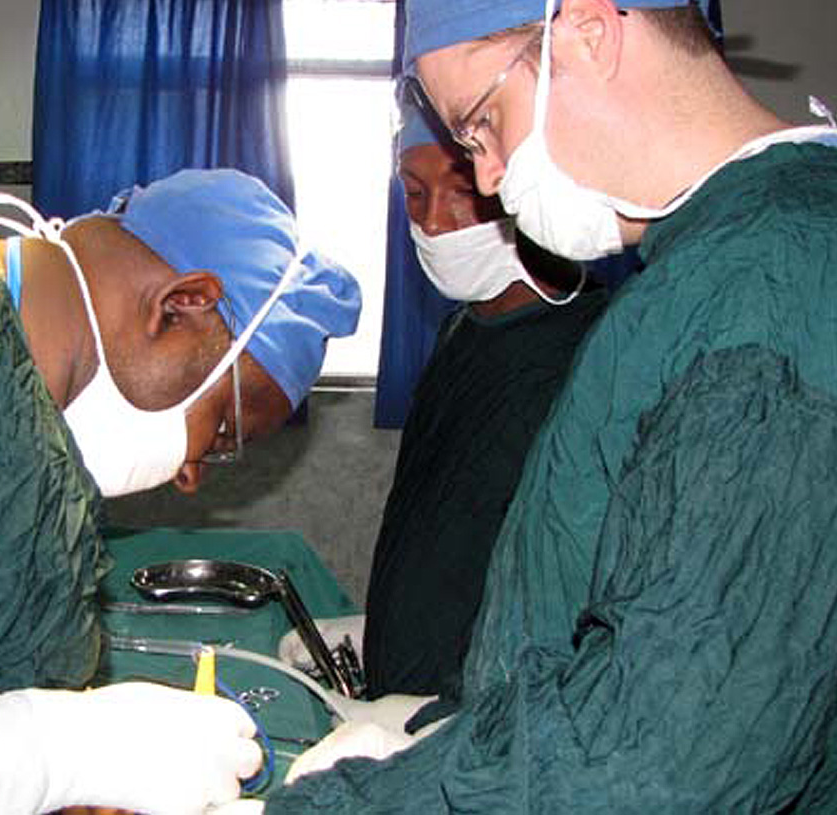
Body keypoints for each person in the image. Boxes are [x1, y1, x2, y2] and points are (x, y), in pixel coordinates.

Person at [263, 0, 837, 812]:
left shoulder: (774, 282)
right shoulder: (702, 271)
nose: (488, 176)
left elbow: (666, 756)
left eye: (483, 123)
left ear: (590, 34)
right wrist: (447, 730)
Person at [0, 167, 360, 814]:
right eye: (221, 430)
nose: (191, 473)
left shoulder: (20, 437)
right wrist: (43, 756)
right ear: (181, 304)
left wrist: (69, 777)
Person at [278, 92, 606, 717]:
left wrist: (446, 712)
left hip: (490, 718)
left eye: (461, 192)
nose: (433, 222)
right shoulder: (463, 331)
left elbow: (578, 604)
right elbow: (449, 535)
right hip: (412, 684)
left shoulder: (590, 359)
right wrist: (382, 630)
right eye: (413, 191)